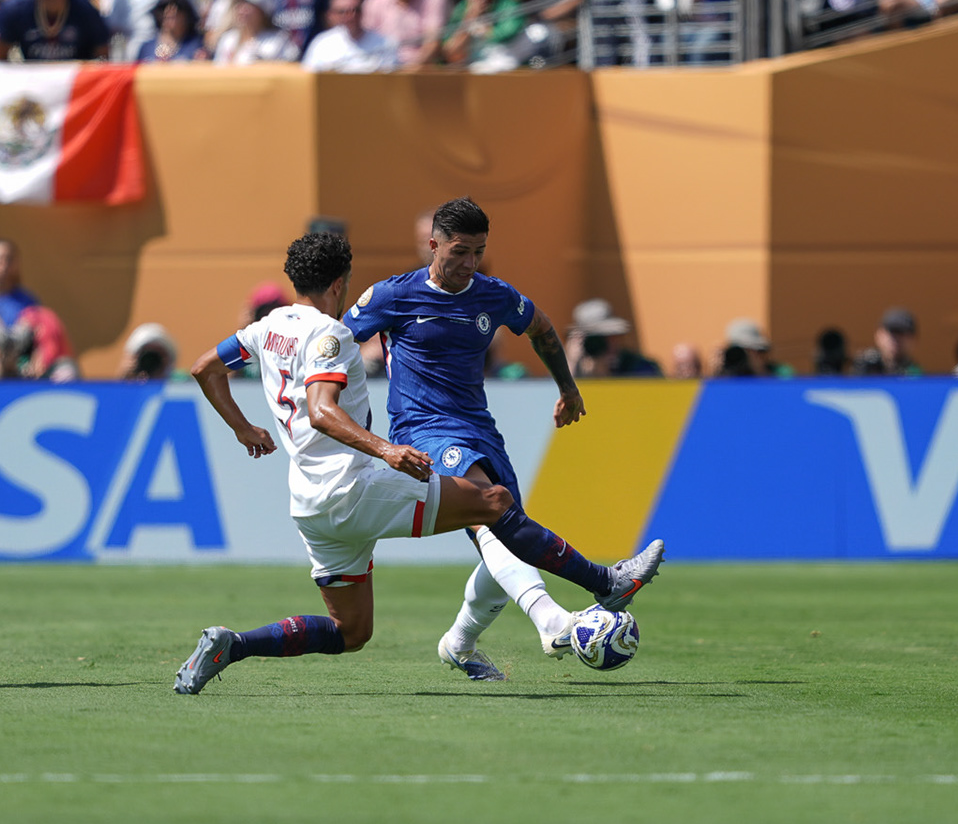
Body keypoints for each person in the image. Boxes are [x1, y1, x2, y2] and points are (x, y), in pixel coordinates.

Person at [175, 231, 516, 692]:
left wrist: (242, 427)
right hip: (354, 489)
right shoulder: (329, 332)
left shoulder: (266, 327)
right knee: (493, 500)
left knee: (351, 632)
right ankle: (589, 594)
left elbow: (204, 369)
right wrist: (387, 450)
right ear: (339, 283)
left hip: (309, 505)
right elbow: (322, 412)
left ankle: (231, 644)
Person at [342, 197, 666, 680]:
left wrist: (567, 386)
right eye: (460, 251)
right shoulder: (393, 296)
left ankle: (460, 642)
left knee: (509, 532)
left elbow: (541, 329)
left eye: (479, 252)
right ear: (433, 245)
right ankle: (584, 596)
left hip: (479, 428)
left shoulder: (491, 294)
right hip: (423, 430)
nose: (470, 263)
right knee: (491, 510)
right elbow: (333, 344)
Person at [300, 0, 398, 70]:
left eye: (355, 10)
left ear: (363, 12)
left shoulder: (385, 44)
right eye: (342, 12)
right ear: (331, 15)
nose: (350, 16)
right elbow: (309, 76)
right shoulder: (322, 44)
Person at [212, 0, 302, 64]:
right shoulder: (228, 39)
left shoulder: (279, 41)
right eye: (240, 4)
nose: (242, 10)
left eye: (249, 6)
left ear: (263, 12)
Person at [566, 298, 662, 376]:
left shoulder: (640, 366)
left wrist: (607, 375)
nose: (608, 345)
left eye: (612, 336)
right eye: (598, 339)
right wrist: (571, 364)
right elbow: (557, 395)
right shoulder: (576, 369)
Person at [136, 0, 206, 62]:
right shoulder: (147, 47)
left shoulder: (195, 46)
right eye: (165, 11)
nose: (169, 15)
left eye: (175, 14)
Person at [855, 307, 923, 374]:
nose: (895, 339)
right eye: (891, 333)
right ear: (879, 334)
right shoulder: (866, 363)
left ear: (912, 339)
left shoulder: (913, 372)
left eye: (901, 333)